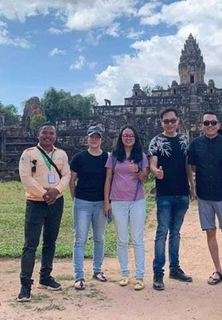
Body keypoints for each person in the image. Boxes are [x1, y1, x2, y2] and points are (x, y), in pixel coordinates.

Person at [17, 124, 71, 302]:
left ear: (55, 136)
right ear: (38, 135)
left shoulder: (61, 154)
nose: (48, 136)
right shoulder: (29, 154)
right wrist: (44, 193)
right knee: (30, 244)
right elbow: (26, 177)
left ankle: (45, 277)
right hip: (35, 202)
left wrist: (56, 191)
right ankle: (25, 285)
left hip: (56, 201)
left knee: (50, 241)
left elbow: (66, 175)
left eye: (51, 133)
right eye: (44, 133)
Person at [148, 107, 195, 291]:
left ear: (178, 121)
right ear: (161, 122)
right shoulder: (156, 141)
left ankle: (174, 268)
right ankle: (157, 272)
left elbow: (187, 165)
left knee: (176, 233)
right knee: (162, 233)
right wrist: (155, 172)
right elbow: (152, 163)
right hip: (165, 193)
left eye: (172, 120)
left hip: (182, 191)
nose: (169, 124)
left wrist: (192, 186)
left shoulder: (184, 140)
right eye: (166, 121)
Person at [188, 111, 222, 285]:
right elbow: (192, 167)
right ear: (201, 125)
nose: (210, 126)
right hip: (204, 194)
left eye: (213, 123)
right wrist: (193, 187)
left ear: (219, 125)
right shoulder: (195, 144)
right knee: (210, 231)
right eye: (206, 123)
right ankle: (218, 269)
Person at [104, 125, 149, 291]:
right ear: (121, 138)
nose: (128, 138)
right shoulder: (114, 156)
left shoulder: (141, 156)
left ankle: (139, 276)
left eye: (131, 135)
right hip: (117, 201)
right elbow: (108, 179)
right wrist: (106, 202)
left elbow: (145, 179)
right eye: (125, 135)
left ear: (135, 137)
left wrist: (137, 171)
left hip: (137, 200)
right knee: (122, 239)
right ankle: (124, 273)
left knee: (137, 239)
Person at [69, 125, 109, 291]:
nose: (94, 139)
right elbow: (72, 181)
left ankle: (97, 270)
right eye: (92, 136)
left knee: (99, 237)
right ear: (87, 138)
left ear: (102, 139)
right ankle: (79, 275)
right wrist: (75, 198)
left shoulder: (107, 157)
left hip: (100, 202)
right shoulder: (79, 158)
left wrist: (107, 202)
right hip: (82, 202)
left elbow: (109, 180)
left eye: (97, 137)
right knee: (80, 239)